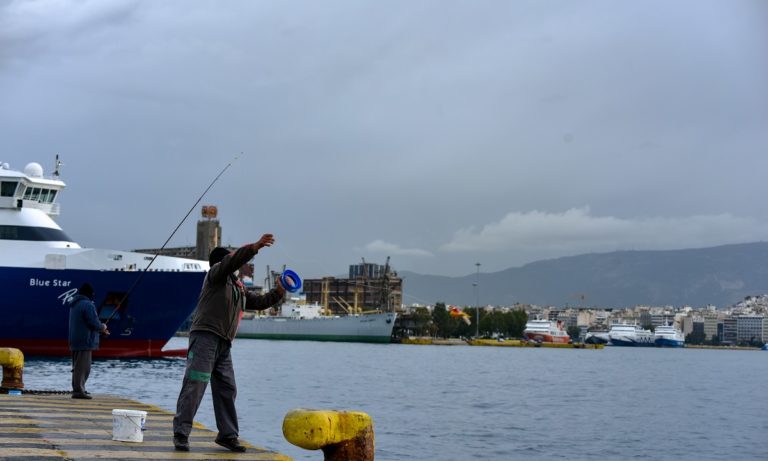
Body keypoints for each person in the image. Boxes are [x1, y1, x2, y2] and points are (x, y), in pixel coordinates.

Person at [173, 234, 286, 452]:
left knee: (227, 388)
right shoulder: (215, 275)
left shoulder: (238, 286)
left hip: (224, 343)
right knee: (195, 385)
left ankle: (227, 435)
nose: (236, 267)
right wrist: (254, 248)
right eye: (231, 262)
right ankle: (181, 433)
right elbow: (230, 262)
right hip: (205, 336)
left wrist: (278, 292)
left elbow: (259, 302)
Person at [68, 282, 109, 399]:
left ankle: (78, 388)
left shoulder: (74, 304)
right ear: (89, 294)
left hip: (75, 340)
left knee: (77, 366)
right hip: (85, 340)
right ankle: (79, 391)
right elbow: (93, 322)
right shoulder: (88, 305)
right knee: (83, 367)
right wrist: (103, 327)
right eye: (92, 294)